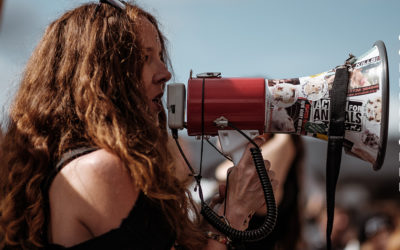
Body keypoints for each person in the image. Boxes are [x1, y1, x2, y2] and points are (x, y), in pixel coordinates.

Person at [0, 1, 276, 249]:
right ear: (100, 77)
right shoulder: (101, 170)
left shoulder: (69, 163)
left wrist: (216, 223)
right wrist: (236, 213)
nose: (165, 73)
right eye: (144, 58)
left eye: (159, 56)